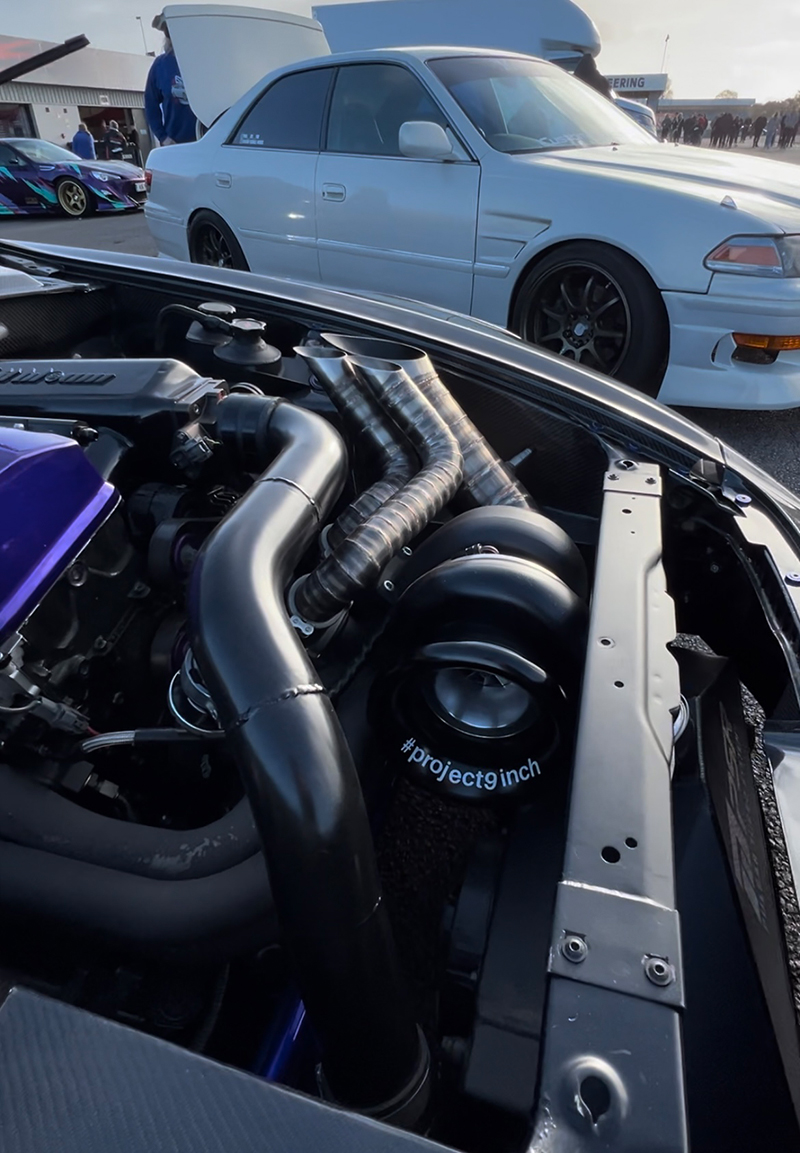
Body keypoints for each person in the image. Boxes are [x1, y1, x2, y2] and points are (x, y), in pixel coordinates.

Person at [145, 13, 198, 146]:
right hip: (176, 144)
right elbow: (151, 104)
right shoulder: (160, 65)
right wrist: (163, 137)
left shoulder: (205, 61)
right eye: (169, 32)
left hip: (210, 141)